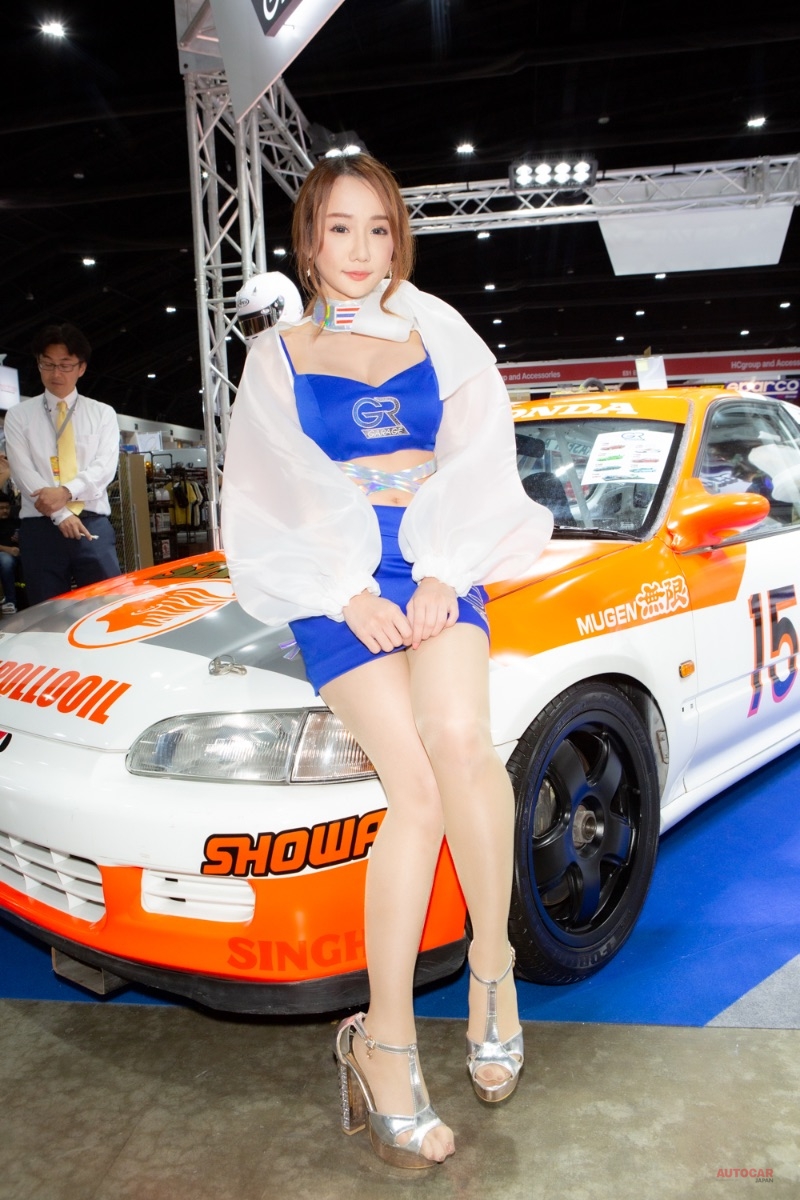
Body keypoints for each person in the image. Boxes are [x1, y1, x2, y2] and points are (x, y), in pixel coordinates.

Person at [221, 154, 553, 1168]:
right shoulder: (276, 356)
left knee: (460, 737)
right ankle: (386, 1039)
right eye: (338, 228)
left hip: (439, 561)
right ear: (307, 242)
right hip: (338, 580)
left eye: (377, 228)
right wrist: (345, 593)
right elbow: (268, 490)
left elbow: (481, 454)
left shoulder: (438, 329)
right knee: (412, 788)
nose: (359, 250)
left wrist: (445, 569)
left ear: (397, 237)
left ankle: (491, 968)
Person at [3, 323, 121, 606]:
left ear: (81, 368)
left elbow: (104, 468)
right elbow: (22, 472)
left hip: (92, 524)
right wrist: (61, 515)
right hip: (40, 529)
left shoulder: (102, 413)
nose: (56, 373)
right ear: (39, 364)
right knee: (47, 613)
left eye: (65, 365)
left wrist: (67, 491)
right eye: (48, 364)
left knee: (108, 607)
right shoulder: (19, 415)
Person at [0, 496, 20, 613]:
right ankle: (10, 601)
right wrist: (8, 549)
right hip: (3, 554)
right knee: (5, 560)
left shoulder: (15, 521)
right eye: (1, 508)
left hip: (19, 551)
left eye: (7, 508)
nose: (5, 511)